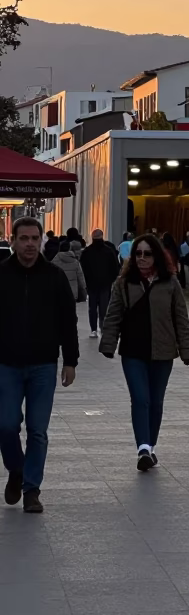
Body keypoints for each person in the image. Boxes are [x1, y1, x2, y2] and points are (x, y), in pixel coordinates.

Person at [0, 217, 78, 513]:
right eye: (24, 238)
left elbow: (68, 322)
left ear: (42, 241)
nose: (30, 244)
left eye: (35, 238)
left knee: (37, 430)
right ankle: (16, 469)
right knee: (6, 425)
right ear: (13, 240)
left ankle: (31, 489)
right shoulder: (2, 274)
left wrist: (70, 360)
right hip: (6, 363)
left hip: (44, 365)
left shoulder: (55, 276)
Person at [100, 234, 189, 470]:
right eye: (138, 254)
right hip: (133, 351)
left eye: (147, 253)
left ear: (157, 256)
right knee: (140, 399)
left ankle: (150, 446)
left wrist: (186, 350)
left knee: (156, 402)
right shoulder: (123, 283)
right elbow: (113, 316)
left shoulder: (170, 283)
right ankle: (143, 447)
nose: (142, 258)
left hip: (163, 353)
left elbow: (181, 319)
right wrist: (108, 344)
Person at [81, 229, 120, 339]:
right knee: (104, 307)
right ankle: (102, 327)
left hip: (91, 284)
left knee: (92, 307)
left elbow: (83, 268)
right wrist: (111, 280)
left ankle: (93, 329)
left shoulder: (87, 252)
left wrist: (86, 282)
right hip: (105, 284)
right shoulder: (109, 251)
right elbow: (115, 268)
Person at [52, 238, 88, 302]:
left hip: (57, 292)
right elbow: (81, 279)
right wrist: (83, 291)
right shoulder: (75, 262)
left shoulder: (54, 261)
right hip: (72, 293)